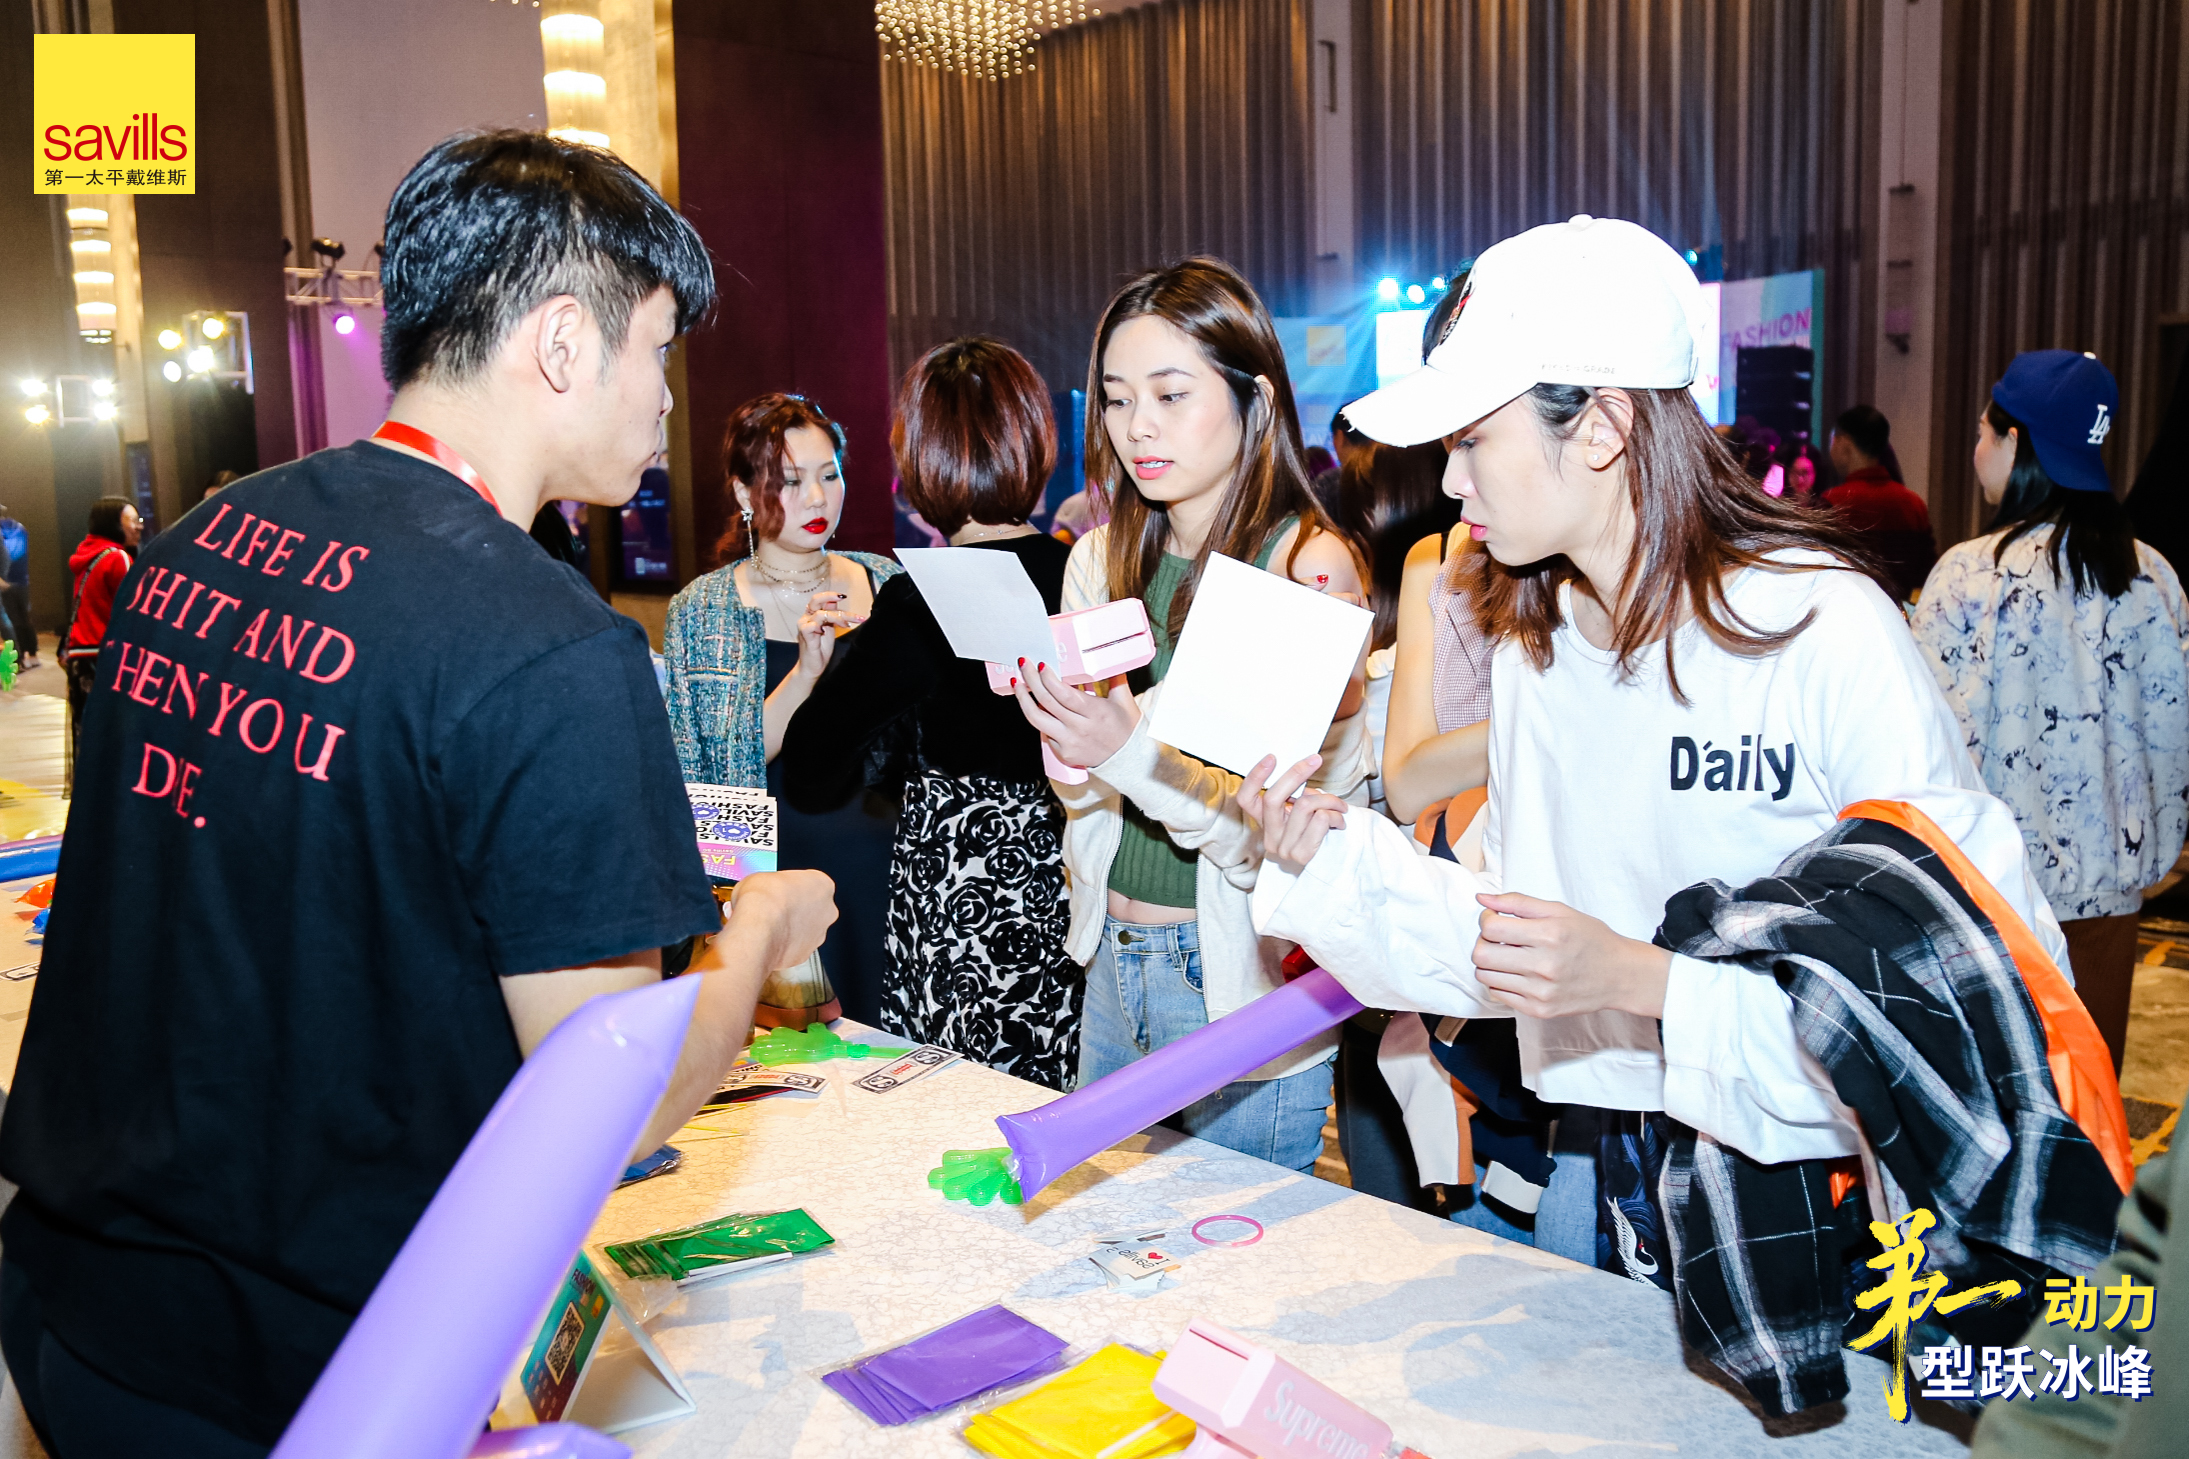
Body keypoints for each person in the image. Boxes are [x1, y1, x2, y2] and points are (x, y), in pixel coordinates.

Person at [0, 130, 836, 1456]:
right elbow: (603, 1097)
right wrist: (762, 930)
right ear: (563, 342)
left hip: (72, 1314)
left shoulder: (201, 541)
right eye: (657, 347)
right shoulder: (550, 646)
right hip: (311, 1380)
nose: (666, 398)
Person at [1233, 215, 2080, 1305]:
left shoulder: (1818, 629)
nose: (1450, 482)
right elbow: (1516, 932)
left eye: (1471, 441)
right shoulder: (1540, 652)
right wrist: (1333, 859)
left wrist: (1644, 979)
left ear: (1600, 426)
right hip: (1620, 1173)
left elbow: (1960, 991)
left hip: (1831, 1209)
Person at [1008, 257, 1368, 1175]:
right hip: (1106, 955)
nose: (1138, 427)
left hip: (1236, 983)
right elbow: (1081, 797)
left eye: (1171, 395)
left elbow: (1265, 842)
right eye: (1117, 399)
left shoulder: (1305, 568)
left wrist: (1123, 746)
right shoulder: (1098, 557)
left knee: (1235, 1258)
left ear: (1256, 398)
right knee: (1093, 1241)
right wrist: (1067, 738)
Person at [783, 339, 1083, 1088]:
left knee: (962, 1107)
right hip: (1076, 883)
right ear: (1033, 442)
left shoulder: (920, 602)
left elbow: (813, 767)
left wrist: (827, 671)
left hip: (961, 900)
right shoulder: (1088, 575)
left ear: (921, 460)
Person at [1913, 350, 2189, 1073]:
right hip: (2111, 898)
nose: (1976, 450)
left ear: (2016, 442)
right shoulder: (2154, 578)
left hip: (1989, 901)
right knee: (2088, 1101)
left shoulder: (1967, 575)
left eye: (1982, 432)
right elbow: (2172, 749)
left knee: (1997, 1103)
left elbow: (1927, 748)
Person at [662, 394, 900, 1025]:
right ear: (745, 493)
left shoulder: (887, 583)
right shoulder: (704, 609)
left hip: (892, 861)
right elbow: (716, 775)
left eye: (829, 475)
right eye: (790, 482)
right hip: (774, 871)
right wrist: (805, 673)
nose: (817, 499)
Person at [1826, 404, 1936, 600]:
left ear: (1844, 443)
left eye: (1833, 440)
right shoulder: (1914, 505)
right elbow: (1926, 575)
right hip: (1899, 612)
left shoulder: (1833, 503)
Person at [61, 496, 139, 756]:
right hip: (104, 657)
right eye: (132, 520)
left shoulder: (87, 555)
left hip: (80, 657)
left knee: (89, 737)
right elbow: (133, 610)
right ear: (113, 524)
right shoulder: (117, 558)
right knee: (114, 737)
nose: (138, 526)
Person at [0, 505, 32, 667]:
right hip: (21, 580)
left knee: (6, 621)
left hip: (7, 582)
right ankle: (25, 656)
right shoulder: (19, 528)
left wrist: (2, 577)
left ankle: (16, 658)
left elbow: (5, 557)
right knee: (18, 619)